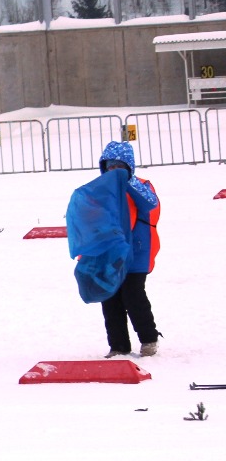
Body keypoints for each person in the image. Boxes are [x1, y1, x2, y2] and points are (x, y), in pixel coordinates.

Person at [97, 141, 161, 358]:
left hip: (137, 253)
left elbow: (150, 204)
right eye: (110, 167)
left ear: (129, 167)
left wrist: (130, 183)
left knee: (134, 296)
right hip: (109, 256)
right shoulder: (99, 190)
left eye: (119, 167)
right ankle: (118, 345)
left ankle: (148, 339)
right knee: (110, 299)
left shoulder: (143, 186)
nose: (114, 171)